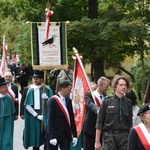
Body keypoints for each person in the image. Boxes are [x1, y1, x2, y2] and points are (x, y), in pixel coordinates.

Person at [95, 76, 133, 150]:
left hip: (124, 137)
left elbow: (130, 124)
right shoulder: (107, 102)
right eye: (121, 85)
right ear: (115, 87)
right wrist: (97, 141)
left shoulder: (128, 104)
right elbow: (99, 122)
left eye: (125, 85)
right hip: (109, 137)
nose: (123, 87)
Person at [23, 70, 53, 150]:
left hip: (46, 115)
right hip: (35, 116)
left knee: (47, 136)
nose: (35, 80)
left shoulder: (47, 89)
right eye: (34, 78)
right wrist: (36, 115)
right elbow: (27, 105)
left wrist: (47, 98)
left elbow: (53, 104)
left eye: (37, 78)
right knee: (36, 139)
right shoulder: (31, 90)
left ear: (41, 79)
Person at [46, 80, 77, 150]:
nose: (70, 91)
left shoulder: (68, 101)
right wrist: (51, 136)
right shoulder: (53, 100)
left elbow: (71, 118)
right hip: (55, 133)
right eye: (69, 89)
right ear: (63, 89)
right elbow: (50, 119)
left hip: (65, 133)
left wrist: (74, 135)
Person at [82, 76, 110, 150]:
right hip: (90, 129)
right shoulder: (90, 95)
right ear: (100, 85)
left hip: (101, 130)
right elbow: (89, 104)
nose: (107, 88)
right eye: (106, 86)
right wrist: (98, 110)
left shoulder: (106, 97)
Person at [0, 77, 15, 150]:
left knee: (6, 142)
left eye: (6, 87)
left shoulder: (8, 98)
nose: (6, 89)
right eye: (3, 87)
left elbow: (11, 112)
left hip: (7, 124)